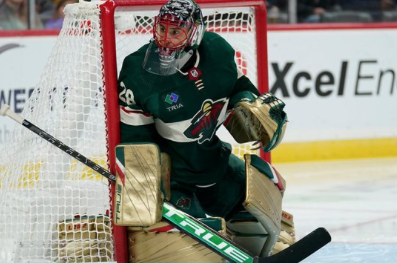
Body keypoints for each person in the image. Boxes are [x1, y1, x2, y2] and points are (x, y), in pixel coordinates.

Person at [117, 0, 290, 257]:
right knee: (192, 248)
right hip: (174, 179)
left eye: (175, 31)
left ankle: (268, 247)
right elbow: (135, 140)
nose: (165, 39)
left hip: (213, 163)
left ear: (196, 32)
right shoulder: (138, 73)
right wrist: (148, 188)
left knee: (265, 198)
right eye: (162, 29)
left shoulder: (216, 49)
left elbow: (236, 87)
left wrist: (249, 106)